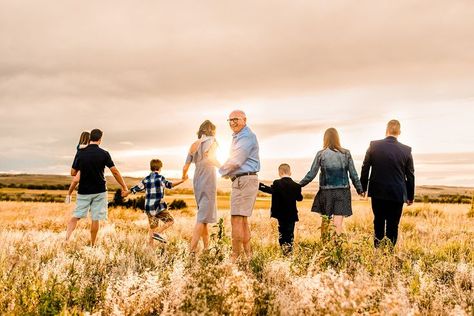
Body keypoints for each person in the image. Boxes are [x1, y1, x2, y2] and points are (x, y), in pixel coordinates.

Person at [66, 129, 128, 246]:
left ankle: (66, 240)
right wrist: (124, 187)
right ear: (100, 139)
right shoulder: (104, 153)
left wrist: (84, 169)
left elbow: (73, 172)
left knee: (76, 216)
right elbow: (114, 171)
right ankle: (93, 244)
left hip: (84, 191)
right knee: (95, 218)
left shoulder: (80, 153)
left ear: (90, 138)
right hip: (99, 191)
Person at [299, 128, 364, 239]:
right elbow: (353, 174)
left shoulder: (321, 154)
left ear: (325, 139)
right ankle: (336, 247)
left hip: (326, 192)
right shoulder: (346, 153)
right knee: (337, 224)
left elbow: (311, 174)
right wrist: (360, 189)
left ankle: (324, 247)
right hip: (342, 192)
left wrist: (298, 185)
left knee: (325, 221)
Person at [360, 120, 415, 248]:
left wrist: (363, 187)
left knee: (378, 221)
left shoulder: (374, 146)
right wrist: (410, 196)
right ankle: (389, 253)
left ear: (386, 130)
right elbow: (410, 175)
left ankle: (378, 250)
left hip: (378, 191)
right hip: (397, 193)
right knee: (393, 223)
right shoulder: (406, 150)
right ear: (399, 132)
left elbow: (365, 167)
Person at [219, 110, 260, 261]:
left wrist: (221, 171)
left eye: (235, 119)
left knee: (236, 219)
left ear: (245, 119)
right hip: (242, 179)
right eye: (229, 120)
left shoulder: (246, 136)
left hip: (244, 180)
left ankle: (234, 257)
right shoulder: (238, 136)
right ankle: (249, 256)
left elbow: (236, 160)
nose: (232, 122)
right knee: (242, 220)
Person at [123, 159, 188, 244]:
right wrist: (182, 181)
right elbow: (170, 185)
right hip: (158, 207)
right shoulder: (160, 178)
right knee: (170, 221)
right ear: (160, 168)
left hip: (149, 208)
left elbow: (137, 187)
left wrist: (127, 192)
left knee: (152, 227)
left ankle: (151, 247)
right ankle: (158, 233)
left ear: (151, 168)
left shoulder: (146, 179)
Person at [182, 120, 220, 253]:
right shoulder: (213, 141)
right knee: (202, 217)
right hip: (208, 178)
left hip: (197, 179)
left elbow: (185, 166)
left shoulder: (194, 144)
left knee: (204, 215)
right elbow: (210, 158)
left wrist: (183, 176)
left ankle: (206, 248)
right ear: (212, 130)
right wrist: (224, 169)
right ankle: (191, 251)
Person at [259, 163, 303, 256]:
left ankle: (284, 251)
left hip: (280, 214)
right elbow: (299, 198)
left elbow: (271, 190)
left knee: (282, 233)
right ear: (290, 172)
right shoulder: (296, 186)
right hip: (292, 214)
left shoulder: (277, 183)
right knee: (290, 233)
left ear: (280, 172)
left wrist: (260, 186)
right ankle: (289, 252)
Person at [65, 131, 90, 203]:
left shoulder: (79, 147)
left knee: (75, 180)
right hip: (85, 166)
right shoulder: (88, 147)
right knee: (76, 179)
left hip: (81, 165)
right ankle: (69, 195)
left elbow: (77, 158)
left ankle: (69, 195)